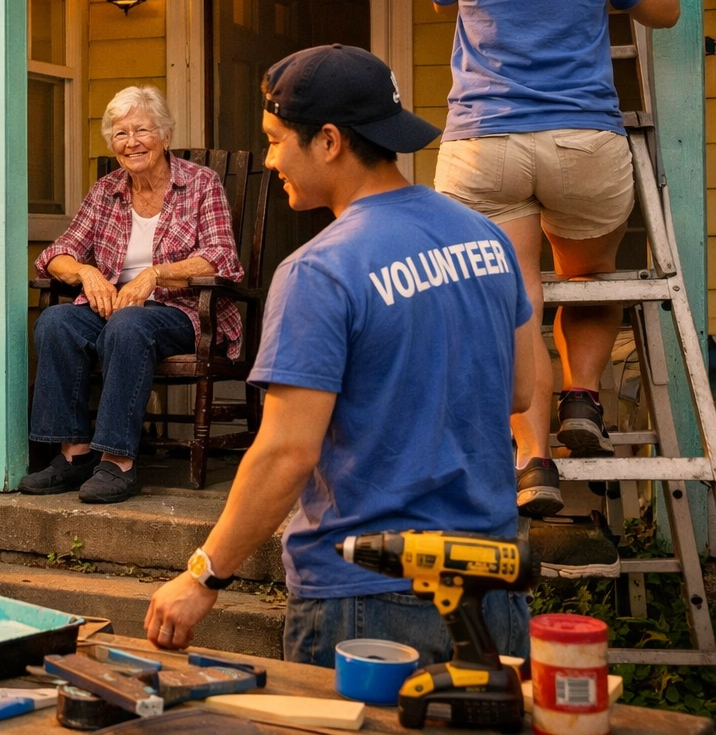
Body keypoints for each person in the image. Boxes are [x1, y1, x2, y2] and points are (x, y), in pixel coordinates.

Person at [144, 44, 535, 665]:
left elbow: (286, 451)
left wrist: (204, 574)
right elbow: (519, 390)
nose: (270, 159)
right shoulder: (486, 237)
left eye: (275, 141)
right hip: (492, 587)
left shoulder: (320, 270)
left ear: (328, 141)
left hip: (370, 599)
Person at [429, 0, 681, 517]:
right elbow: (665, 10)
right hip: (583, 146)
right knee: (590, 279)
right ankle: (582, 398)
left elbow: (444, 0)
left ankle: (533, 460)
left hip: (485, 150)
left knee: (518, 299)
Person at [21, 85, 242, 505]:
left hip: (181, 311)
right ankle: (74, 454)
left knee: (128, 324)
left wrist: (154, 276)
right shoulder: (106, 190)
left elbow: (220, 257)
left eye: (141, 130)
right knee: (56, 321)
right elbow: (56, 255)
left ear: (165, 135)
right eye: (120, 134)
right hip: (114, 307)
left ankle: (117, 461)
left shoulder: (201, 184)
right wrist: (86, 272)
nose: (131, 142)